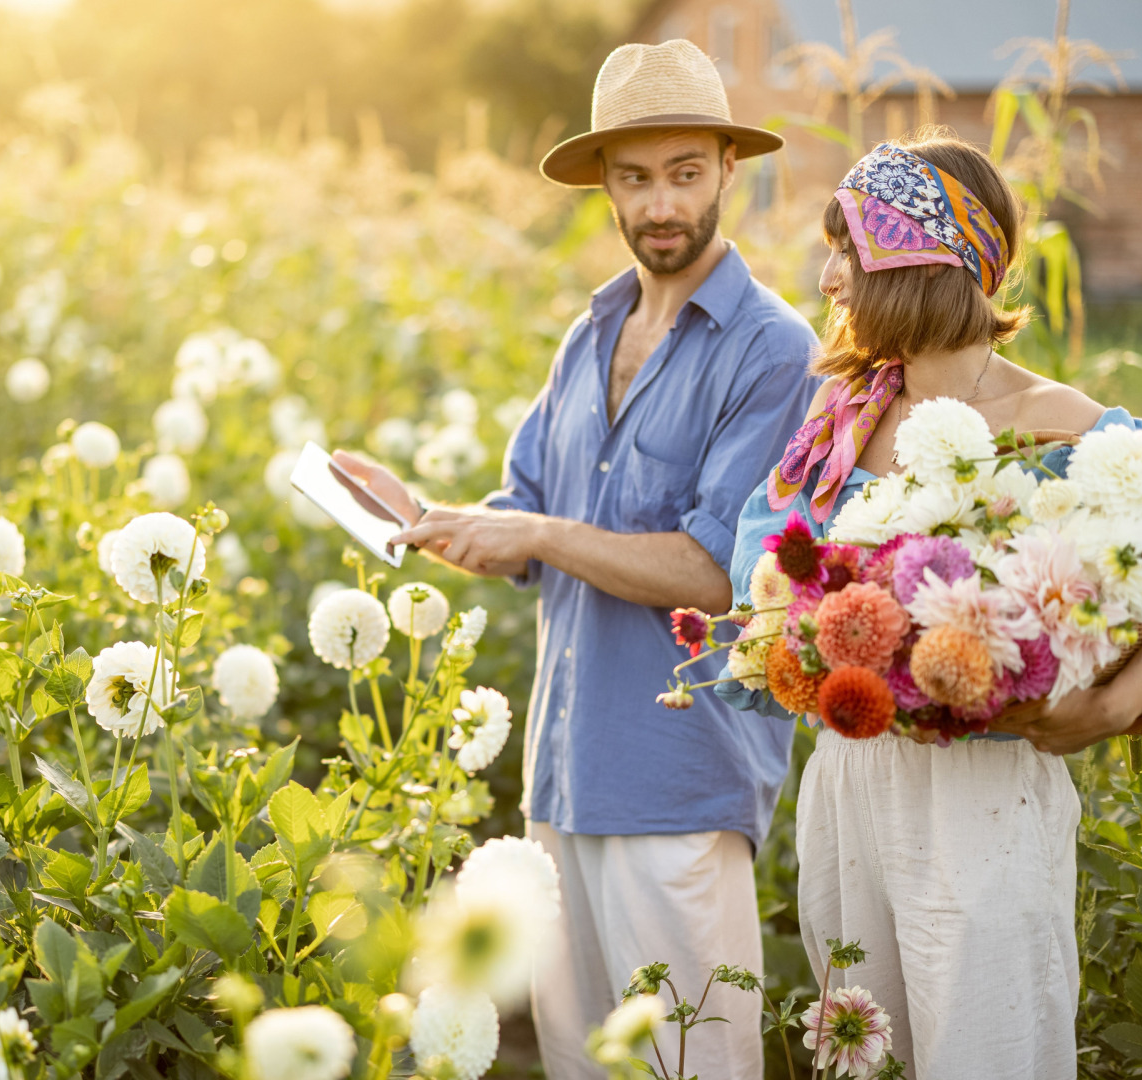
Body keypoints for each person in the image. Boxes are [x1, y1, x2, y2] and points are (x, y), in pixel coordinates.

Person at [718, 130, 1142, 1078]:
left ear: (915, 265)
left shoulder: (1059, 424)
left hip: (984, 799)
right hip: (851, 786)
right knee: (861, 1055)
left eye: (847, 250)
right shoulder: (839, 421)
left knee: (987, 1048)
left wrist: (1111, 704)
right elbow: (762, 573)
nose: (826, 279)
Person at [332, 38, 815, 1079]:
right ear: (604, 184)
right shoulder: (589, 334)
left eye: (686, 173)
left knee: (692, 1066)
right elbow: (529, 520)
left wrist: (540, 536)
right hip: (563, 783)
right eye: (635, 179)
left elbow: (716, 570)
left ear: (729, 168)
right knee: (582, 1066)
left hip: (679, 787)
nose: (661, 205)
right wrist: (424, 515)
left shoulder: (772, 351)